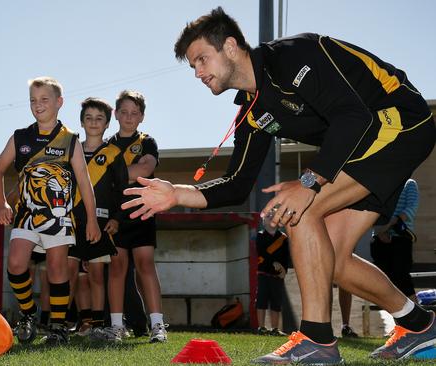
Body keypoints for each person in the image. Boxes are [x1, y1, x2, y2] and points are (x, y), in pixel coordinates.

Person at [123, 6, 436, 363]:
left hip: (398, 121)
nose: (197, 72)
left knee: (298, 209)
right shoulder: (252, 113)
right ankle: (419, 325)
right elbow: (238, 185)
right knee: (329, 259)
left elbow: (353, 116)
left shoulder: (292, 56)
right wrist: (178, 193)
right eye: (192, 66)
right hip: (361, 145)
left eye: (201, 59)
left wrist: (308, 181)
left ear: (229, 46)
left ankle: (318, 340)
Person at [0, 77, 101, 346]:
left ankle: (58, 326)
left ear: (59, 102)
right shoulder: (20, 137)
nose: (38, 105)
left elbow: (85, 184)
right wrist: (2, 203)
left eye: (44, 99)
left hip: (60, 217)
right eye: (33, 100)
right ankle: (28, 314)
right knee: (15, 264)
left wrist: (93, 220)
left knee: (56, 268)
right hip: (27, 214)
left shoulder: (70, 140)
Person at [104, 90, 167, 343]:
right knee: (117, 268)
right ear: (116, 114)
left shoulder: (148, 141)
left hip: (142, 211)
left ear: (141, 116)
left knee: (145, 265)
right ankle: (117, 326)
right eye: (124, 112)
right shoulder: (107, 144)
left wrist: (111, 175)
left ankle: (158, 325)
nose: (129, 117)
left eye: (135, 113)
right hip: (113, 216)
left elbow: (145, 169)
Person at [68, 97, 126, 341]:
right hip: (69, 223)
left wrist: (117, 218)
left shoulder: (113, 153)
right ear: (81, 122)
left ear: (107, 124)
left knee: (96, 274)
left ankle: (99, 326)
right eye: (88, 118)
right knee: (66, 272)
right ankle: (58, 325)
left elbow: (122, 189)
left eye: (99, 118)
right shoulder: (71, 151)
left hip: (100, 224)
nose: (93, 122)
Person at [371, 178, 420, 302]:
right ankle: (399, 318)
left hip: (401, 238)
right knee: (385, 281)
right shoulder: (383, 185)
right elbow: (374, 209)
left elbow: (411, 208)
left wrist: (389, 225)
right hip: (379, 239)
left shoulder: (410, 184)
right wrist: (379, 231)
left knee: (402, 278)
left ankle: (418, 317)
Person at [256, 220, 289, 337]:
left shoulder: (283, 238)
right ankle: (261, 327)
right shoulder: (260, 236)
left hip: (277, 275)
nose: (271, 218)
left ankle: (275, 328)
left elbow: (286, 256)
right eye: (268, 217)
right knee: (261, 299)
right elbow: (262, 253)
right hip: (263, 272)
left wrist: (284, 269)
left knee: (276, 301)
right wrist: (274, 263)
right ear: (264, 223)